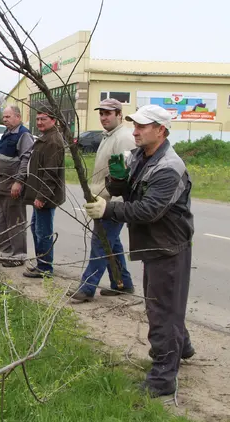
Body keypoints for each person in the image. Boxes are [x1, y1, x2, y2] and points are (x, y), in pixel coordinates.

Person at [83, 104, 195, 398]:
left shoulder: (169, 167)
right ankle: (181, 346)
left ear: (161, 130)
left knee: (161, 310)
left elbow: (149, 210)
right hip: (154, 242)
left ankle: (162, 378)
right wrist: (118, 179)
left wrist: (109, 208)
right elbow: (127, 191)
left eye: (142, 127)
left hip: (168, 245)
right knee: (167, 303)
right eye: (134, 125)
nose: (135, 131)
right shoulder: (138, 156)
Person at [69, 98, 135, 301]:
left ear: (119, 114)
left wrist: (108, 198)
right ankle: (122, 283)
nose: (104, 117)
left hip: (113, 202)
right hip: (102, 198)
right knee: (111, 245)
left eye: (108, 113)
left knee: (100, 243)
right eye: (101, 113)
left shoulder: (124, 138)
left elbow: (123, 174)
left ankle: (87, 288)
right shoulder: (109, 136)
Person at [21, 104, 66, 278]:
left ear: (53, 120)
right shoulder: (45, 137)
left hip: (45, 197)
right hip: (39, 194)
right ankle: (42, 263)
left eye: (43, 119)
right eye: (38, 119)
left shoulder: (53, 141)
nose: (39, 122)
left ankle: (45, 268)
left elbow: (51, 173)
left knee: (43, 232)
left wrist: (42, 196)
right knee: (36, 229)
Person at [0, 105, 34, 267]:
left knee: (15, 222)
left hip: (14, 188)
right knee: (1, 222)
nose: (4, 119)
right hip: (2, 187)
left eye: (8, 117)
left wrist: (19, 182)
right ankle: (3, 253)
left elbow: (26, 160)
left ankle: (18, 256)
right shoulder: (7, 134)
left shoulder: (24, 135)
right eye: (4, 117)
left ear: (18, 117)